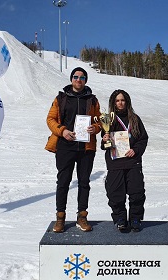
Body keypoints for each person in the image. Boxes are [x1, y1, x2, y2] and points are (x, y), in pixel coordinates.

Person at [45, 67, 101, 233]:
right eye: (76, 77)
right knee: (63, 182)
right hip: (65, 146)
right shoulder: (61, 98)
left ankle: (82, 217)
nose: (79, 80)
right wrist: (62, 131)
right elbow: (50, 119)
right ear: (71, 79)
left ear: (85, 80)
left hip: (86, 148)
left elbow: (100, 120)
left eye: (82, 77)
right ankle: (60, 218)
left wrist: (96, 128)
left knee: (84, 182)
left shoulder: (92, 100)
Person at [101, 89, 148, 232]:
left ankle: (135, 218)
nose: (120, 103)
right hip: (115, 162)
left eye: (122, 100)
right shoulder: (108, 119)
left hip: (133, 161)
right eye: (117, 100)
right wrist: (105, 140)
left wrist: (136, 150)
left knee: (136, 192)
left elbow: (143, 139)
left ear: (126, 101)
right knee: (115, 192)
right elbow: (104, 145)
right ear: (113, 103)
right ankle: (120, 218)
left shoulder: (134, 118)